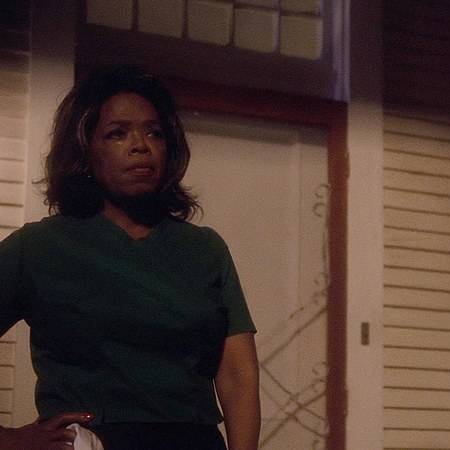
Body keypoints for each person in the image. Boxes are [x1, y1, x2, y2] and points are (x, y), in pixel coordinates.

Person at [0, 65, 261, 450]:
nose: (140, 145)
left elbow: (238, 376)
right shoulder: (39, 247)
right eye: (117, 133)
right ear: (85, 149)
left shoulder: (204, 250)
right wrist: (10, 440)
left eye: (154, 132)